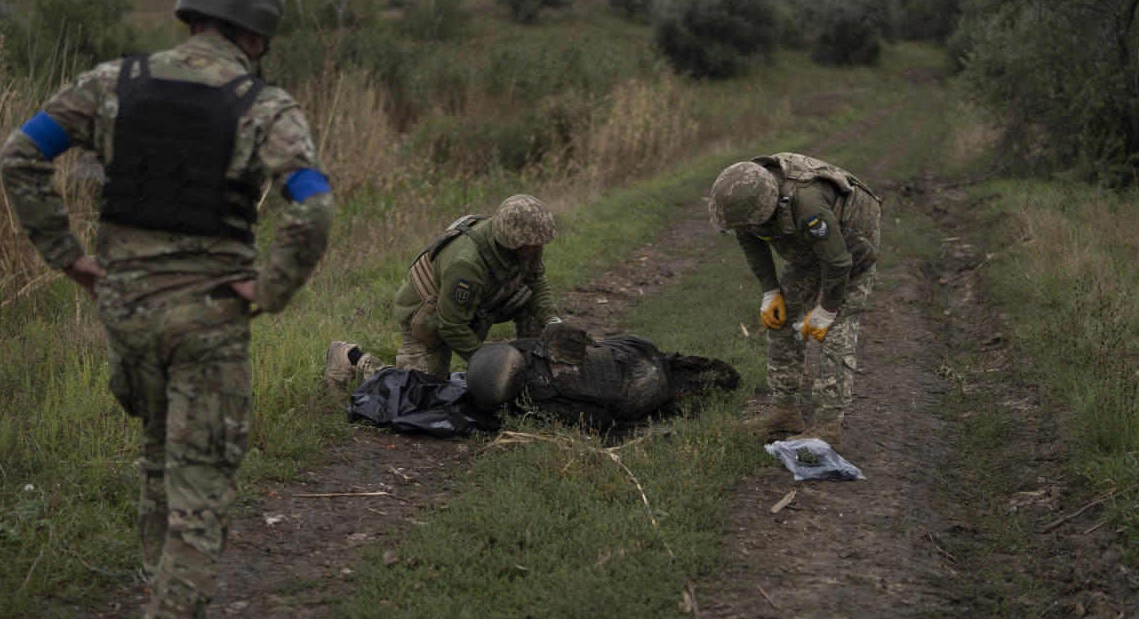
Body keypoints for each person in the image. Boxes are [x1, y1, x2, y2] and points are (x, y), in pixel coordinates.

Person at [0, 0, 334, 619]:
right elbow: (313, 204)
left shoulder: (111, 83)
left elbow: (21, 154)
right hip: (208, 322)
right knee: (200, 492)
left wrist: (70, 258)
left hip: (126, 317)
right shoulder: (264, 106)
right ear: (257, 34)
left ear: (191, 13)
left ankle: (167, 616)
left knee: (158, 458)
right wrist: (269, 289)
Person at [708, 153, 881, 450]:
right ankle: (785, 410)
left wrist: (826, 310)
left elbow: (838, 262)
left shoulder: (807, 203)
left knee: (836, 330)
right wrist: (770, 292)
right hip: (806, 246)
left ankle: (827, 426)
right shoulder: (746, 197)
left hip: (850, 245)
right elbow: (749, 239)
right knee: (781, 318)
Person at [326, 194, 562, 386]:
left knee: (530, 305)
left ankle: (533, 372)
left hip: (469, 307)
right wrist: (493, 365)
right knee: (418, 393)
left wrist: (552, 321)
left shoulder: (522, 245)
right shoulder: (467, 264)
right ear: (511, 240)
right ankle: (350, 358)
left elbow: (535, 281)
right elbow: (451, 327)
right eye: (533, 245)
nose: (539, 249)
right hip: (428, 317)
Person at [335, 321, 740, 431]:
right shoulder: (537, 356)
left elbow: (602, 422)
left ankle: (354, 358)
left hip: (645, 375)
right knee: (434, 387)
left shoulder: (543, 401)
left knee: (437, 389)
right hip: (645, 358)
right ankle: (352, 357)